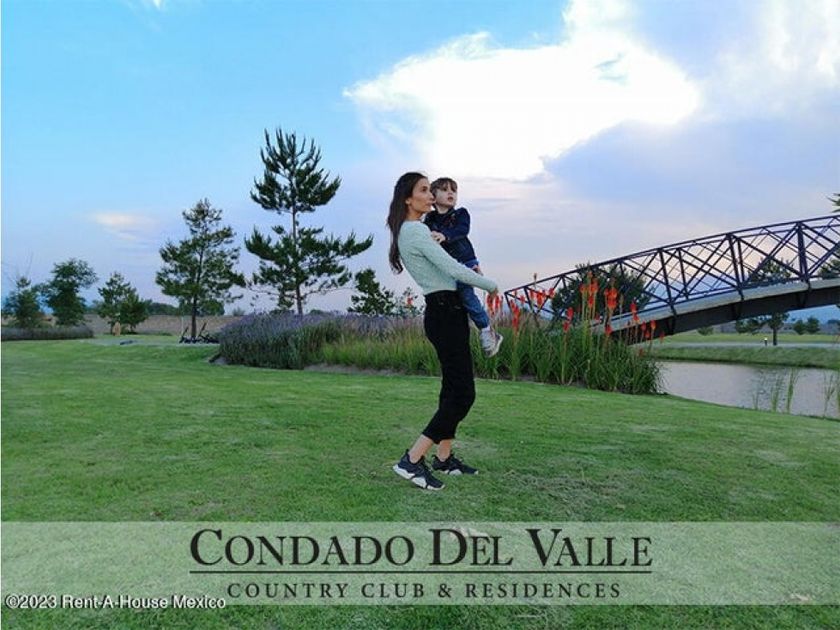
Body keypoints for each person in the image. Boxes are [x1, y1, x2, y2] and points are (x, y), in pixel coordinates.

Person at [386, 172, 500, 490]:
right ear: (408, 199)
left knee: (452, 389)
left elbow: (448, 265)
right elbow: (451, 268)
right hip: (444, 312)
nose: (430, 195)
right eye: (424, 190)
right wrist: (489, 284)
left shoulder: (412, 230)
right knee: (463, 394)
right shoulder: (415, 231)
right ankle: (412, 460)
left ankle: (444, 458)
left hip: (446, 311)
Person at [424, 177, 503, 357]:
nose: (450, 193)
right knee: (453, 301)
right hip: (446, 267)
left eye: (454, 190)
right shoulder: (429, 219)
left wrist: (445, 235)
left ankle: (486, 329)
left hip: (465, 262)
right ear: (433, 196)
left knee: (466, 295)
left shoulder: (460, 214)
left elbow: (462, 230)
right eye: (445, 190)